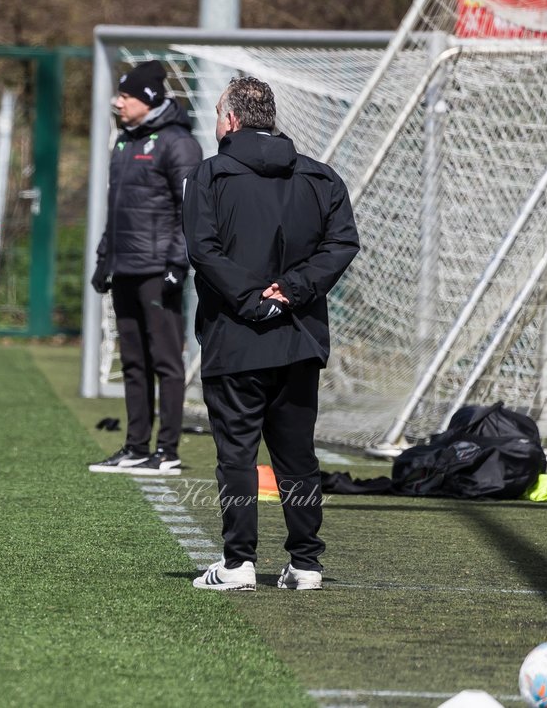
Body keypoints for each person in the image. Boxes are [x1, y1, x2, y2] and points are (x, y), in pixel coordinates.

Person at [182, 76, 359, 591]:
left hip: (235, 337)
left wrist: (253, 300)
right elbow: (342, 243)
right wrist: (292, 291)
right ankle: (306, 564)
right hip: (299, 337)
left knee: (237, 455)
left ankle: (237, 563)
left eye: (218, 115)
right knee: (297, 456)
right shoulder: (322, 178)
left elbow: (203, 250)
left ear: (232, 121)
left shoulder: (209, 176)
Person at [88, 60, 202, 476]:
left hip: (159, 270)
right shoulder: (124, 141)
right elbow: (117, 211)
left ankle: (167, 451)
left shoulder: (177, 143)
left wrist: (178, 263)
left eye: (126, 95)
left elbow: (190, 211)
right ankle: (136, 447)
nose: (118, 102)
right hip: (126, 268)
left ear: (148, 99)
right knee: (133, 362)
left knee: (167, 362)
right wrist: (105, 258)